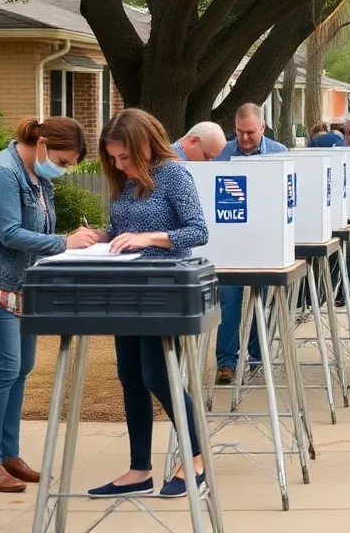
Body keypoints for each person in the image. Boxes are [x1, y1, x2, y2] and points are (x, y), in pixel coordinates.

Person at [0, 117, 95, 492]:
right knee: (6, 368)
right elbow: (10, 233)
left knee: (23, 368)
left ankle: (9, 456)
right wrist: (65, 243)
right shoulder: (2, 173)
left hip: (22, 286)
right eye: (64, 162)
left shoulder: (36, 175)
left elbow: (39, 230)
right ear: (43, 142)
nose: (64, 169)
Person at [88, 109, 210, 499]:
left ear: (143, 145)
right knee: (129, 376)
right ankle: (138, 468)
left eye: (124, 157)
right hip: (125, 286)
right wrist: (101, 236)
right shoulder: (124, 181)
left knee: (157, 375)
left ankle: (196, 456)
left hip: (163, 288)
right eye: (114, 159)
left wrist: (149, 238)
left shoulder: (173, 173)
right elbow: (126, 231)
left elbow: (197, 230)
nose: (119, 165)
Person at [213, 103, 288, 384]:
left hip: (265, 242)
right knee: (228, 300)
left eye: (250, 134)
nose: (244, 139)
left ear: (262, 128)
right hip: (230, 243)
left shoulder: (279, 154)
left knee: (261, 300)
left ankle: (257, 355)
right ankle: (226, 362)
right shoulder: (221, 154)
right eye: (239, 133)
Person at [219, 103, 288, 158]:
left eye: (249, 133)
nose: (244, 138)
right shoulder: (220, 152)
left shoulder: (280, 153)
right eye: (240, 132)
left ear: (262, 128)